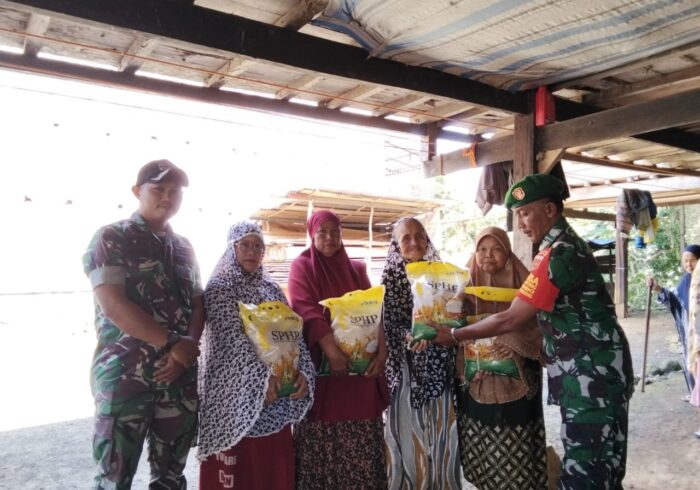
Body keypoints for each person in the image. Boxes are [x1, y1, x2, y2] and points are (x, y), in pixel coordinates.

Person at [430, 174, 634, 489]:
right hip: (590, 369)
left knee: (588, 467)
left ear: (550, 210)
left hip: (591, 373)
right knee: (603, 463)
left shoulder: (559, 254)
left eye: (525, 212)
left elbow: (511, 318)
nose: (521, 223)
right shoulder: (558, 247)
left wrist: (455, 335)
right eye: (517, 215)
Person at [82, 159, 203, 489]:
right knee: (113, 480)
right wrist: (174, 344)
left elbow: (197, 303)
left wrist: (187, 348)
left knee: (170, 478)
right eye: (158, 189)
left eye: (175, 191)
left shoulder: (184, 247)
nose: (167, 197)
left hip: (177, 381)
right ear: (137, 191)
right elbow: (113, 306)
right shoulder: (111, 237)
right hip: (126, 378)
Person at [197, 221, 314, 489]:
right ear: (232, 247)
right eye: (245, 245)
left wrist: (304, 372)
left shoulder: (271, 288)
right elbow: (233, 340)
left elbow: (293, 333)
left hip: (276, 396)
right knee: (239, 472)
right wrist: (263, 379)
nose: (252, 251)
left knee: (270, 470)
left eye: (258, 246)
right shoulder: (220, 287)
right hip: (233, 398)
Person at [287, 209, 390, 489]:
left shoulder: (356, 269)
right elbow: (306, 310)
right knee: (322, 439)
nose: (329, 238)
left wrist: (382, 353)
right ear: (312, 235)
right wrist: (332, 352)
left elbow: (373, 311)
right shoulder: (302, 266)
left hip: (360, 376)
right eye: (322, 232)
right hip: (325, 375)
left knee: (361, 444)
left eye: (335, 232)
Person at [457, 226, 546, 489]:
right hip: (477, 379)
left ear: (507, 253)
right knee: (482, 449)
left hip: (516, 380)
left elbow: (541, 321)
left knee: (516, 452)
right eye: (482, 249)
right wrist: (470, 353)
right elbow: (452, 323)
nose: (488, 255)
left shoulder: (526, 282)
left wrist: (513, 342)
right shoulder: (463, 283)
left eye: (497, 249)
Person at [381, 217, 463, 489]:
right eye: (406, 237)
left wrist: (450, 332)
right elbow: (385, 323)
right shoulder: (390, 279)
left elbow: (456, 313)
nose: (414, 242)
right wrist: (408, 335)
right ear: (397, 244)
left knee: (442, 433)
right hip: (404, 370)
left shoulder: (443, 274)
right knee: (407, 433)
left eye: (420, 236)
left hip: (440, 368)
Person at [647, 244, 700, 394]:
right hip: (692, 336)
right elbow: (675, 300)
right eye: (685, 261)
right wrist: (658, 288)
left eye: (692, 260)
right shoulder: (686, 280)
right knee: (694, 369)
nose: (688, 264)